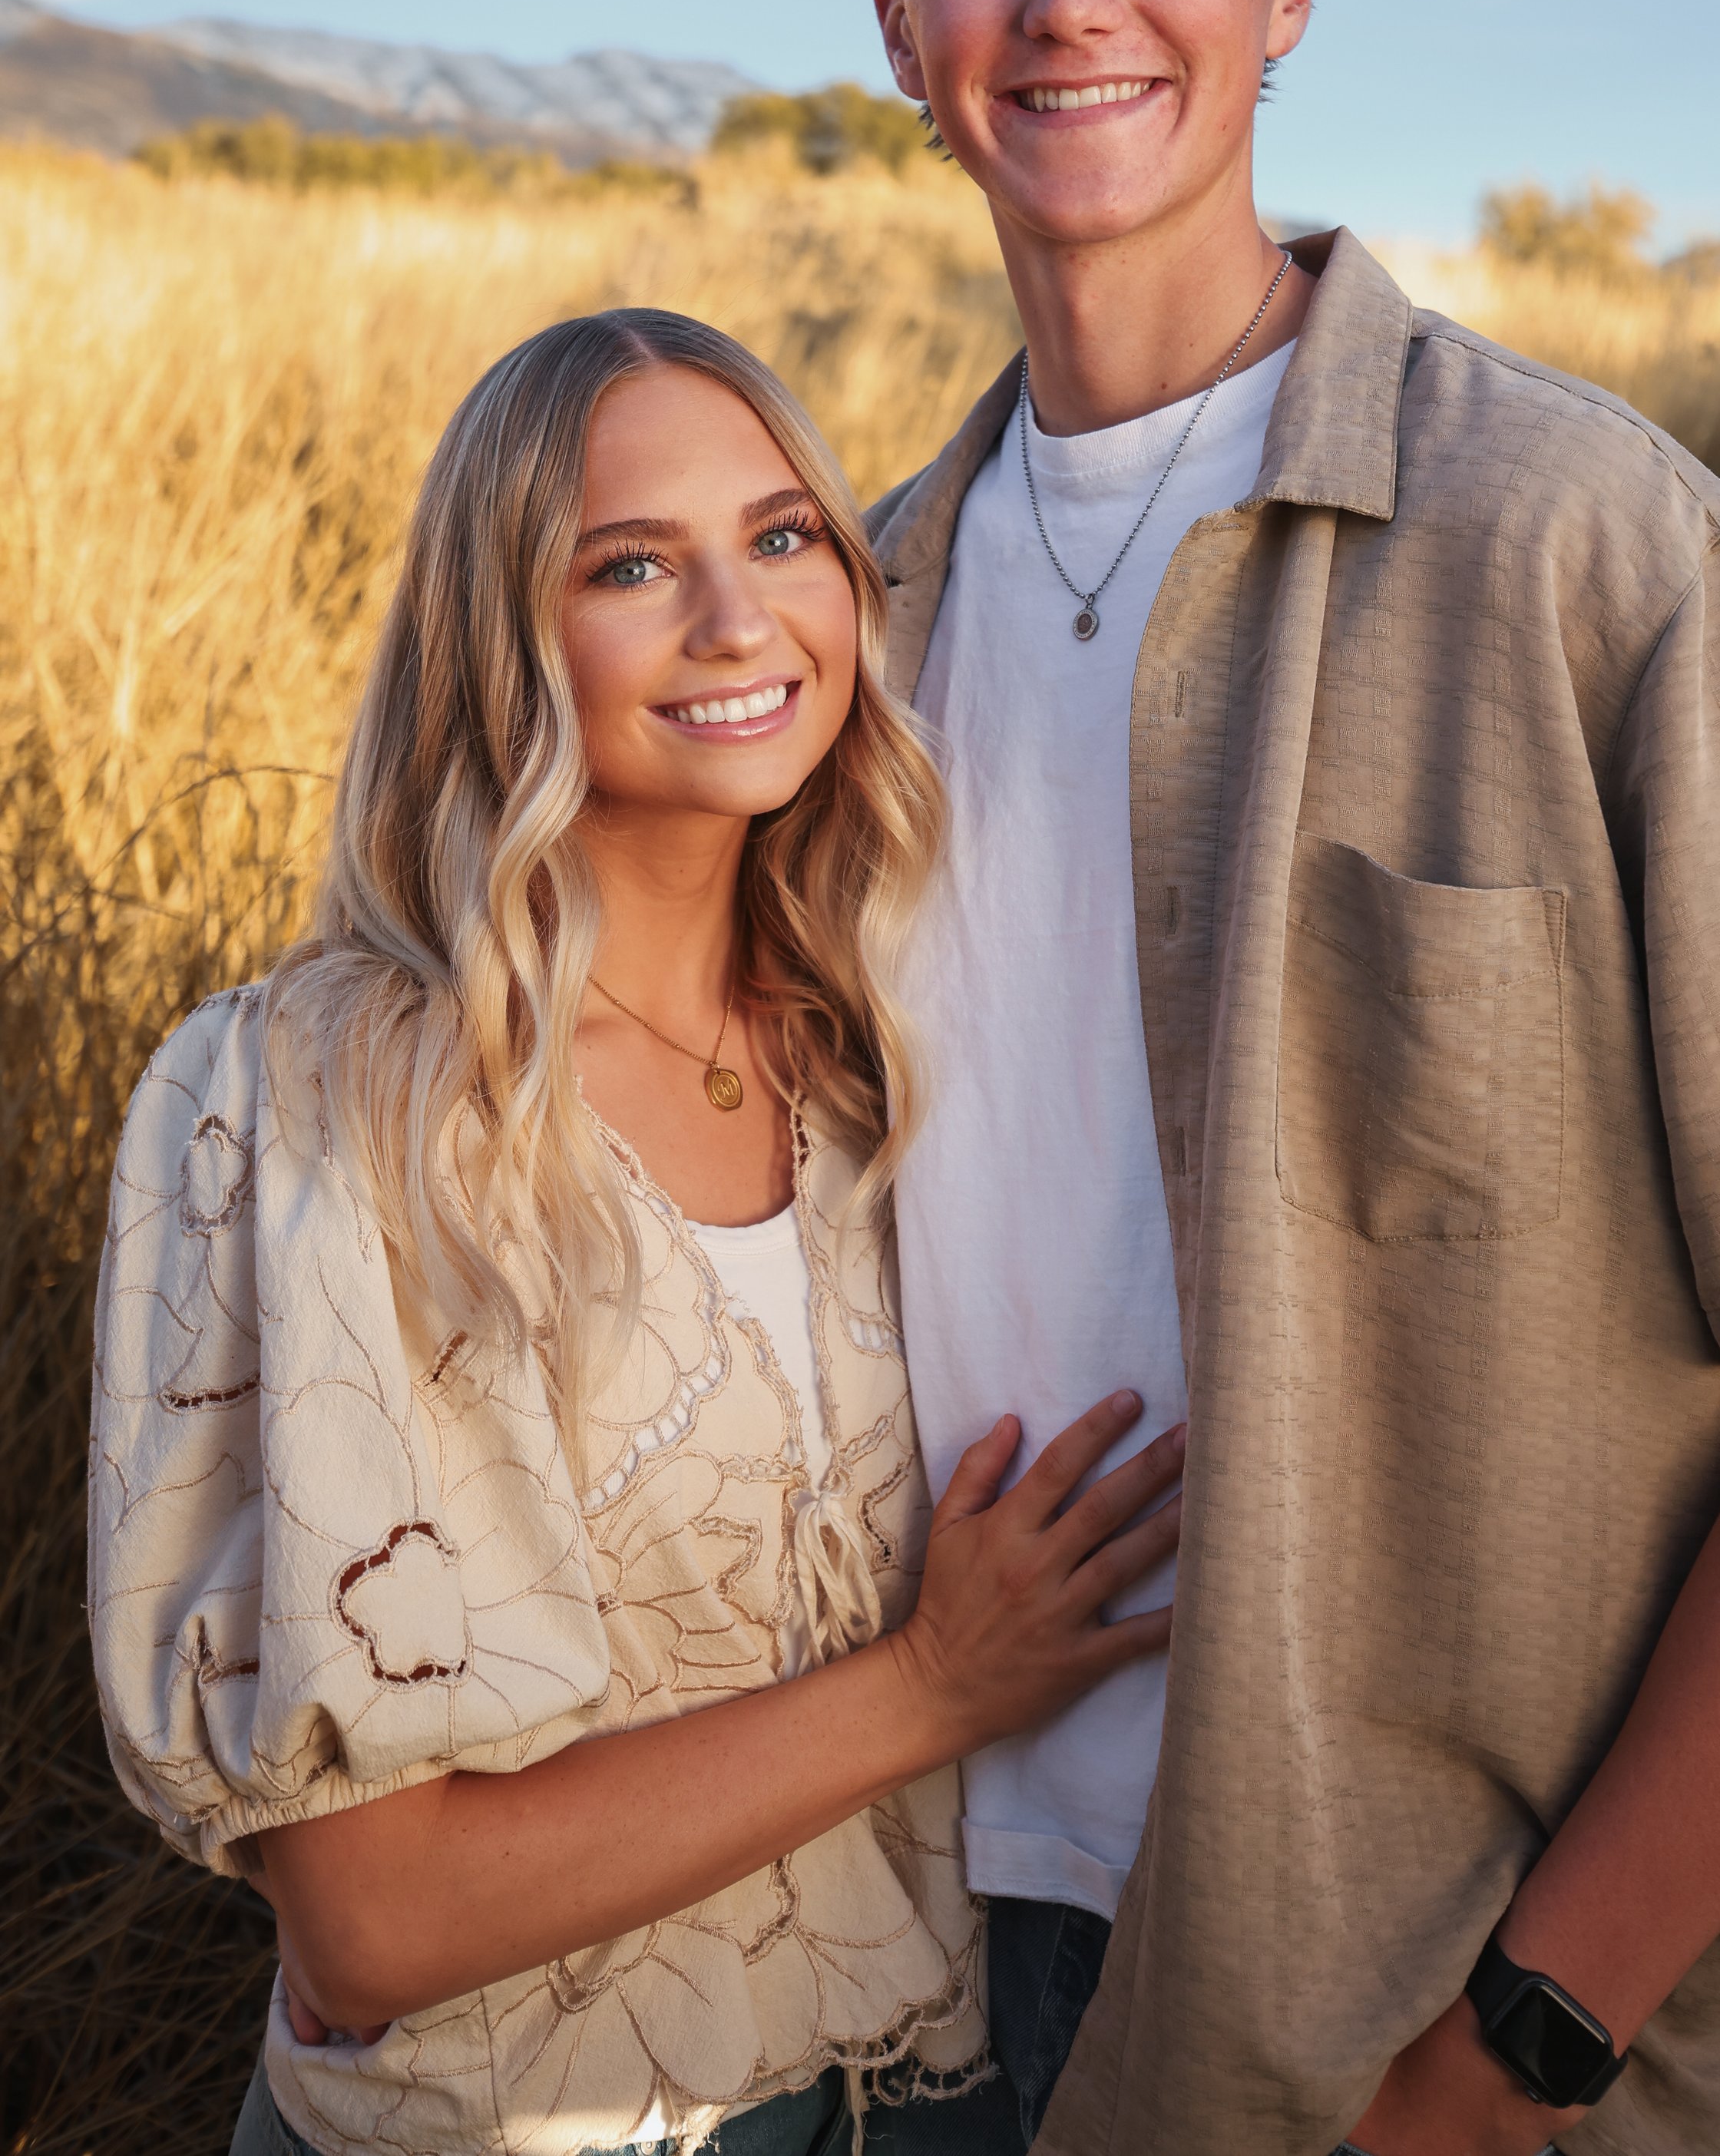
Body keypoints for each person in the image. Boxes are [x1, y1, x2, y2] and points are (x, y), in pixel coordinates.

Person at [851, 0, 1720, 2156]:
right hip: (894, 1963)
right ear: (899, 22)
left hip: (1406, 2019)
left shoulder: (1590, 554)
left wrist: (1521, 2051)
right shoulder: (846, 632)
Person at [88, 308, 1184, 2156]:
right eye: (628, 566)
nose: (738, 621)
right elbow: (375, 1921)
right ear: (502, 636)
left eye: (780, 538)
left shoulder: (870, 1058)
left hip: (923, 2103)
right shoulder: (333, 1100)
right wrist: (933, 1681)